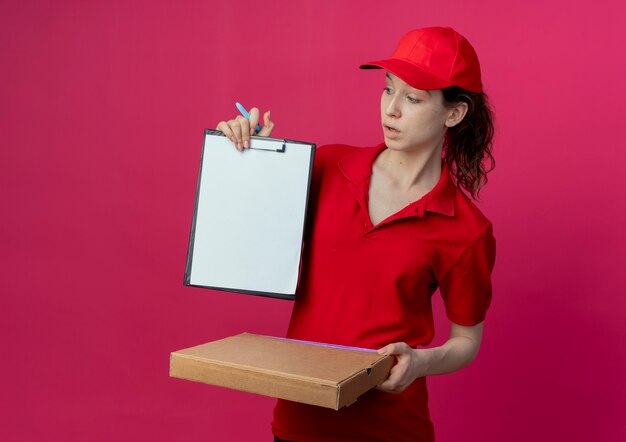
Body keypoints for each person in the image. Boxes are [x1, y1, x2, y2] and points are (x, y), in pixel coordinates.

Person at [217, 26, 496, 442]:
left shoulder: (467, 230)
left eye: (413, 98)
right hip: (300, 422)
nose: (391, 110)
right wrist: (250, 160)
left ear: (454, 113)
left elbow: (465, 341)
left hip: (391, 429)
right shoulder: (329, 167)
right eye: (388, 90)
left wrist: (421, 362)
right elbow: (247, 240)